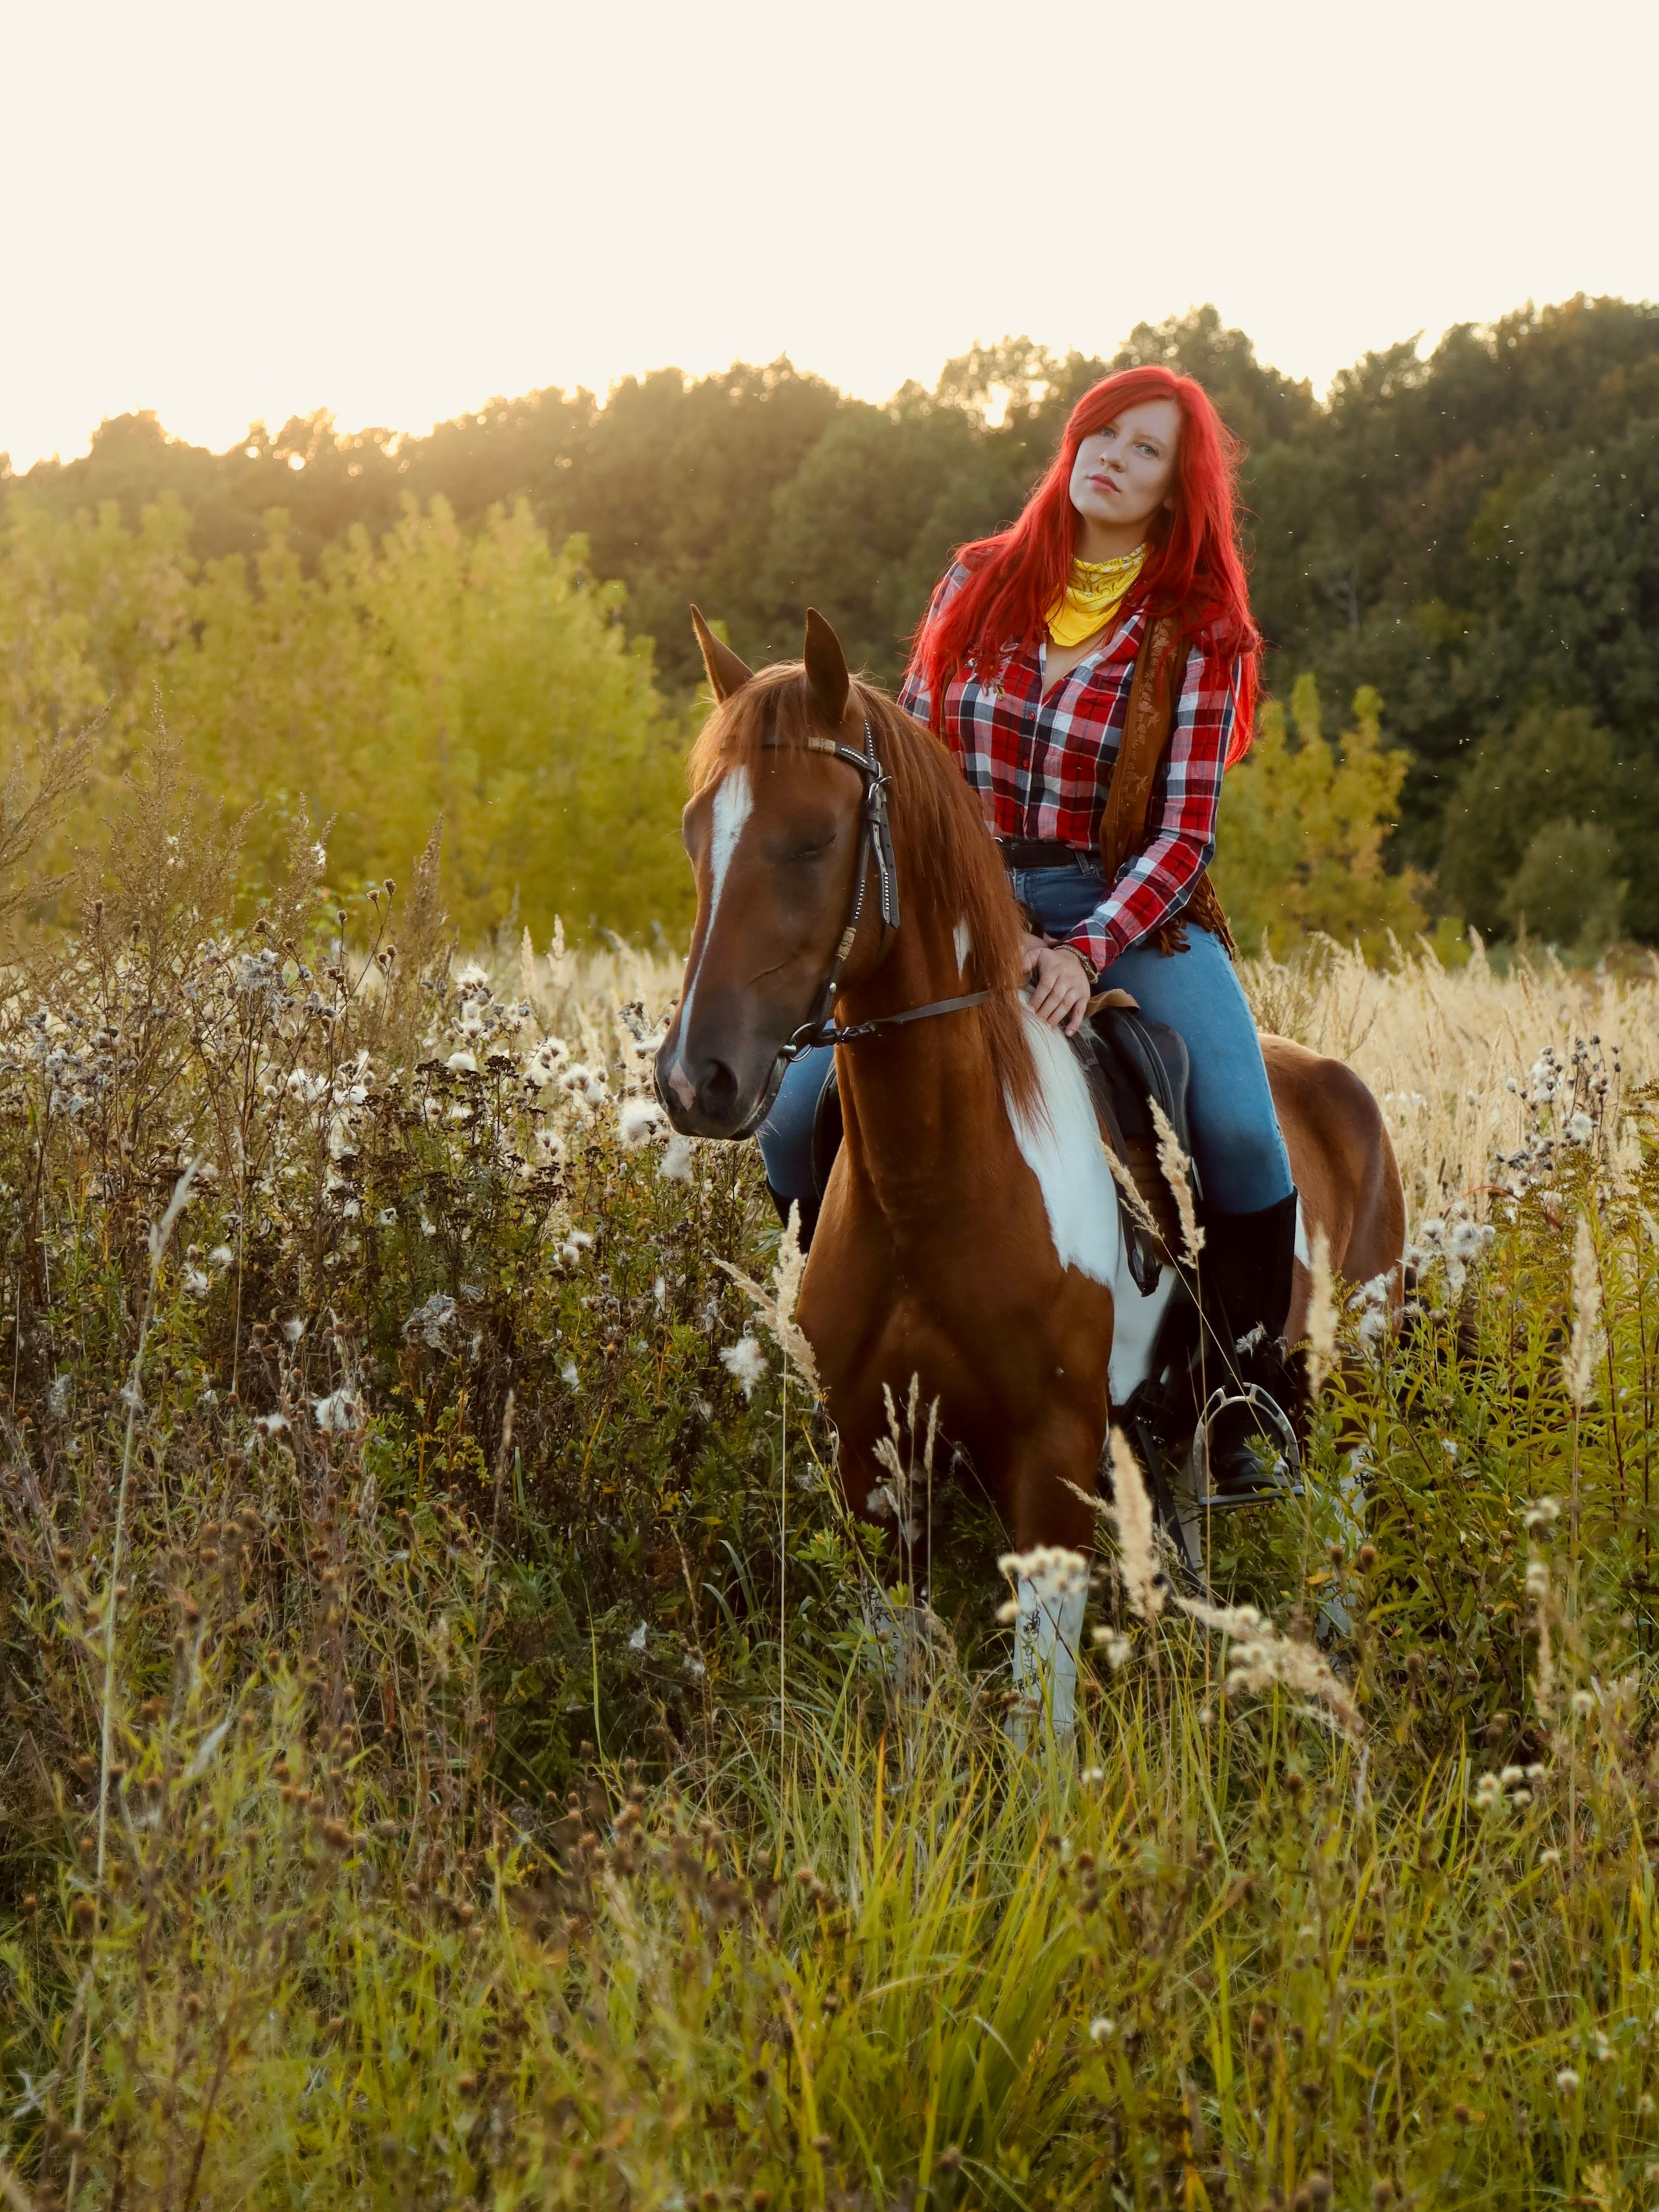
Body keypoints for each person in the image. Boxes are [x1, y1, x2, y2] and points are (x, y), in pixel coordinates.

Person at [757, 365, 1297, 1497]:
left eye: (1146, 450)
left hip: (1125, 910)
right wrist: (987, 923)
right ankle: (860, 1356)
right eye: (1104, 431)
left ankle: (1236, 1402)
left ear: (1176, 488)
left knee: (1244, 1133)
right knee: (793, 1113)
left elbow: (1185, 833)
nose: (1113, 455)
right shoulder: (980, 578)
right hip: (960, 900)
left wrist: (1084, 947)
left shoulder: (1201, 631)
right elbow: (909, 760)